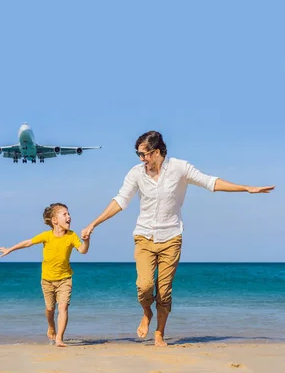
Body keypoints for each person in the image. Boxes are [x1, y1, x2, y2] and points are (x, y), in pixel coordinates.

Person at [81, 130, 275, 347]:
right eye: (138, 154)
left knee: (164, 291)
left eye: (144, 154)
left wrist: (246, 188)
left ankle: (159, 334)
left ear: (156, 152)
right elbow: (120, 200)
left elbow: (210, 182)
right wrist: (93, 223)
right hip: (144, 237)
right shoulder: (136, 173)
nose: (141, 159)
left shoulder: (180, 168)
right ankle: (147, 313)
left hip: (171, 238)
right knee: (144, 287)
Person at [0, 202, 89, 347]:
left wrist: (86, 240)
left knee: (63, 307)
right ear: (54, 220)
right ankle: (51, 326)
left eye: (69, 214)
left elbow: (83, 250)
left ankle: (59, 338)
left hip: (65, 279)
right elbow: (28, 242)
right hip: (47, 280)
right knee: (50, 309)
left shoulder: (72, 236)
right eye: (64, 214)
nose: (69, 217)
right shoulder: (47, 236)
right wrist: (10, 249)